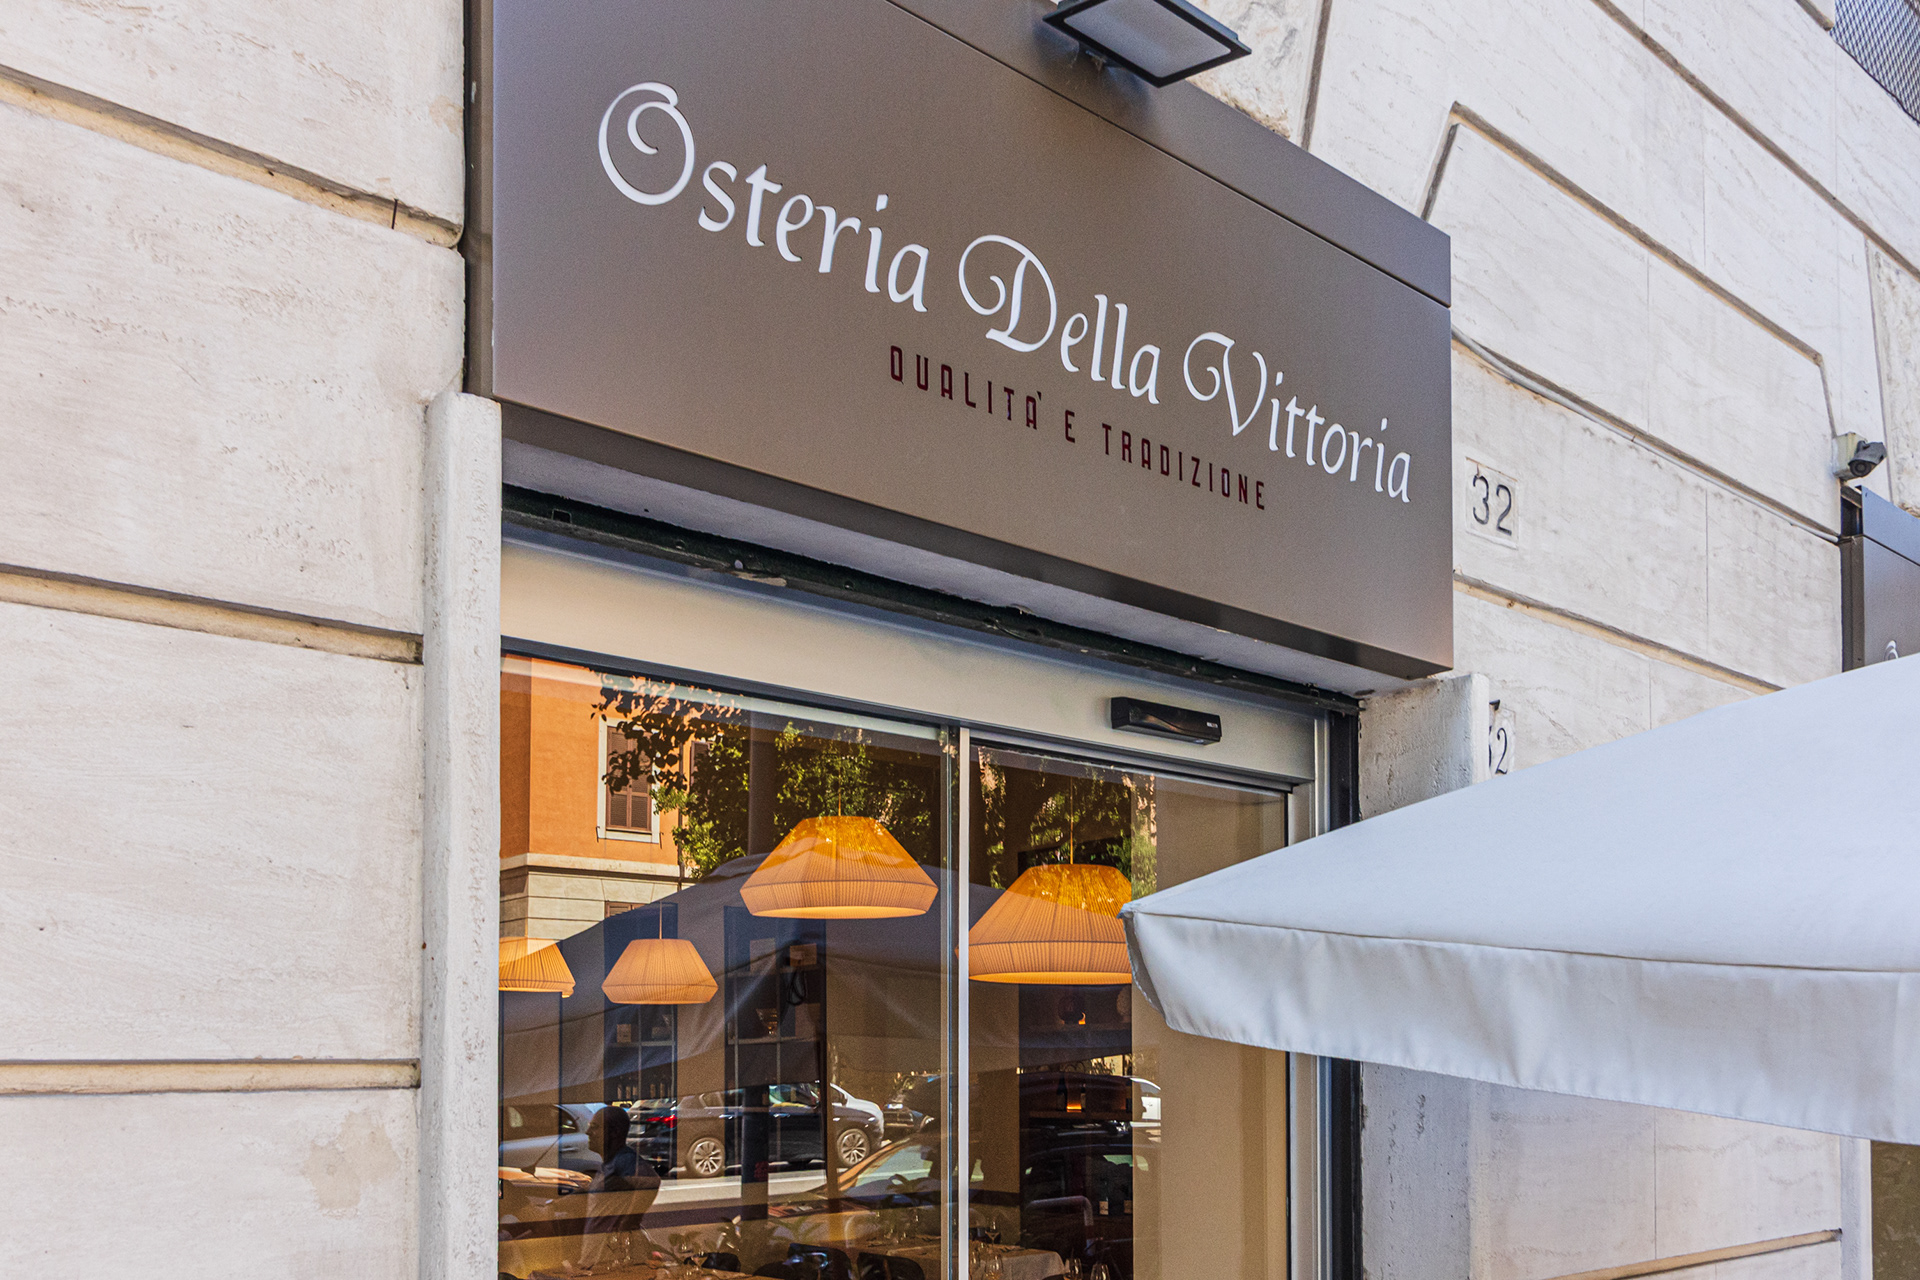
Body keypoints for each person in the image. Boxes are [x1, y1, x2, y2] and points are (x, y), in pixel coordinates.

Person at [575, 1105, 661, 1273]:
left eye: (595, 1127)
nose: (588, 1132)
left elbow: (650, 1182)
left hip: (613, 1260)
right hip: (600, 1259)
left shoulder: (624, 1159)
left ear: (614, 1132)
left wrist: (628, 1222)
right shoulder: (610, 1163)